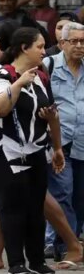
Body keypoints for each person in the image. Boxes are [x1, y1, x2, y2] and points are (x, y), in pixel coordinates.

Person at [0, 27, 64, 274]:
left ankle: (37, 261)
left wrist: (57, 147)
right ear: (24, 48)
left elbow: (52, 114)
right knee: (13, 207)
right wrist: (18, 83)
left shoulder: (41, 76)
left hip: (36, 148)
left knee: (35, 207)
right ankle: (16, 262)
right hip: (5, 151)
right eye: (39, 46)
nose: (44, 51)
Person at [47, 22, 84, 258]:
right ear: (62, 43)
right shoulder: (49, 66)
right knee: (63, 193)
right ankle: (67, 246)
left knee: (80, 197)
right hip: (59, 144)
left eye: (83, 41)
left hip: (82, 142)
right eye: (74, 41)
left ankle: (68, 242)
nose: (79, 46)